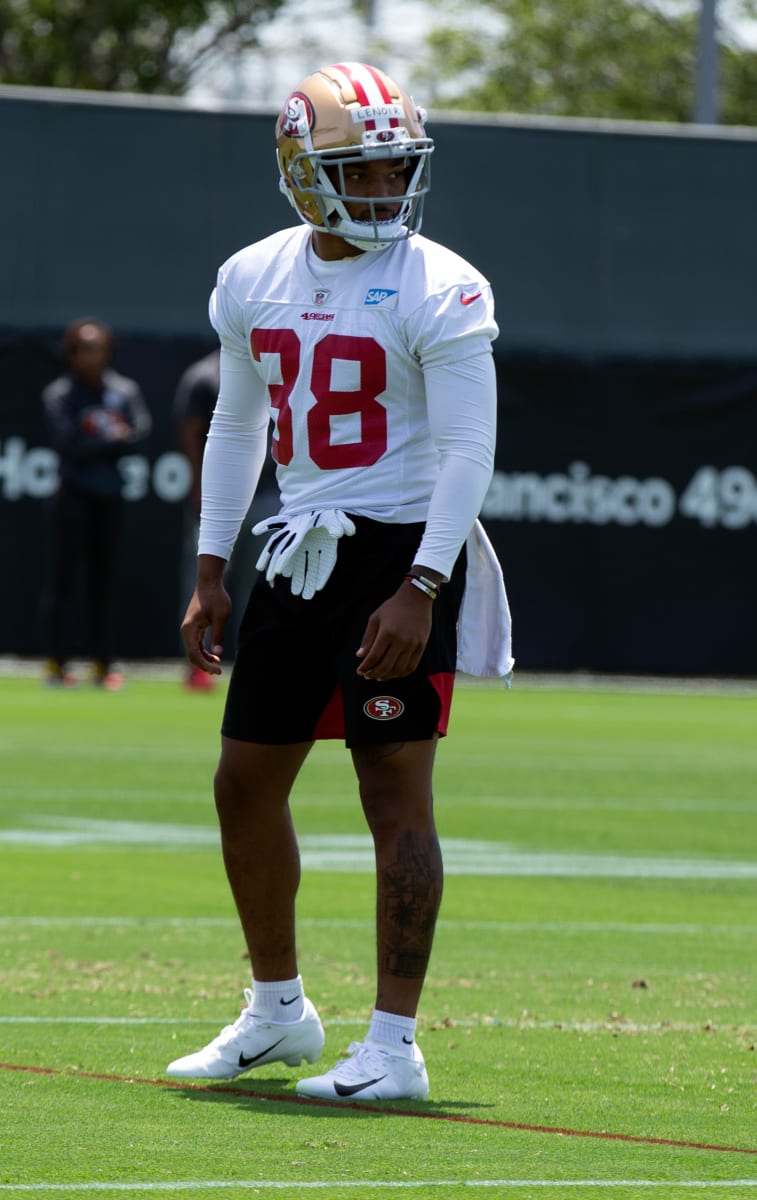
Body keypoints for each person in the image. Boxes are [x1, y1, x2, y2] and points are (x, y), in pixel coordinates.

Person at [170, 61, 511, 1102]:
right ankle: (278, 1013)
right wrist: (213, 564)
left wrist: (421, 585)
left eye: (396, 169)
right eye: (360, 173)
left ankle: (396, 1046)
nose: (384, 191)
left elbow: (467, 453)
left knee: (391, 790)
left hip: (400, 545)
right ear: (301, 171)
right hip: (297, 549)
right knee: (242, 781)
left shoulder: (442, 282)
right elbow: (241, 424)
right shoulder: (251, 275)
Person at [41, 317, 152, 690]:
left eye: (98, 348)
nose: (92, 356)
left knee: (104, 582)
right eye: (84, 349)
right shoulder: (60, 393)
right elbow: (68, 443)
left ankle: (103, 664)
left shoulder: (124, 390)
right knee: (65, 581)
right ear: (71, 354)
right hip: (72, 495)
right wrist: (112, 440)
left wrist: (107, 443)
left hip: (110, 497)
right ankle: (57, 663)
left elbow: (139, 434)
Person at [175, 348, 279, 690]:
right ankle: (198, 663)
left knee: (260, 585)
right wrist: (200, 489)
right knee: (205, 582)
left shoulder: (278, 365)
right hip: (221, 498)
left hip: (268, 494)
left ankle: (255, 663)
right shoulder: (204, 374)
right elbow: (191, 433)